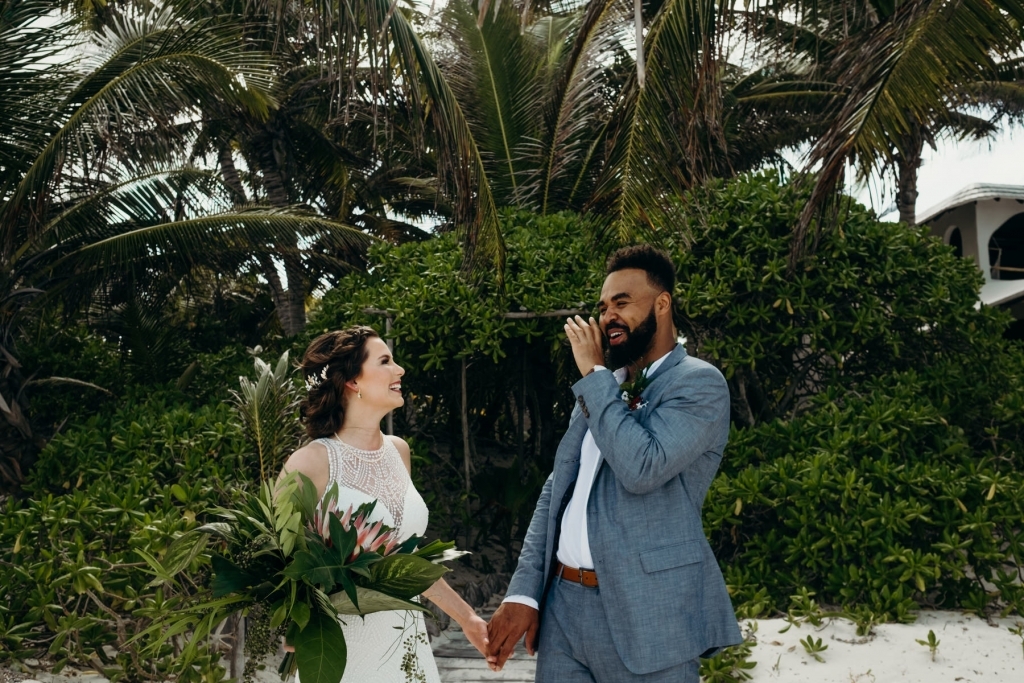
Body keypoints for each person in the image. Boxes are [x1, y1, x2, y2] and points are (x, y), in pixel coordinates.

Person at [486, 245, 742, 682]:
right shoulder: (604, 385)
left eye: (622, 303)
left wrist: (595, 377)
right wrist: (525, 594)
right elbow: (558, 490)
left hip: (651, 615)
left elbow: (642, 467)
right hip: (564, 612)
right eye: (603, 307)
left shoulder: (699, 383)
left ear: (662, 304)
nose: (608, 317)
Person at [279, 326, 489, 682]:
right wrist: (292, 619)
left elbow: (406, 560)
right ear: (352, 382)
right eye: (386, 361)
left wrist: (466, 618)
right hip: (338, 651)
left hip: (406, 645)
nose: (400, 370)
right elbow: (277, 561)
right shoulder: (309, 463)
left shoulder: (399, 451)